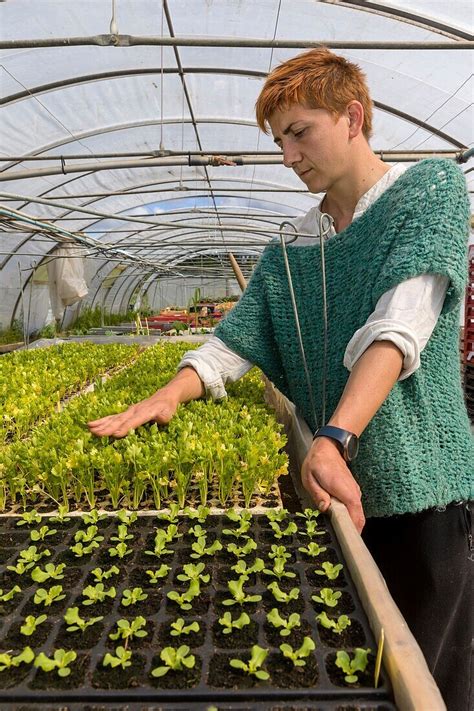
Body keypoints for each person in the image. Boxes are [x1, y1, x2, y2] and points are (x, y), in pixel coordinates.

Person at [88, 48, 473, 709]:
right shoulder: (292, 247)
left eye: (300, 132)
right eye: (279, 140)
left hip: (424, 497)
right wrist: (167, 393)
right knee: (367, 680)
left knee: (434, 678)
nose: (289, 155)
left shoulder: (429, 191)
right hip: (338, 497)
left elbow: (398, 325)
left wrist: (333, 436)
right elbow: (230, 344)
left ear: (353, 117)